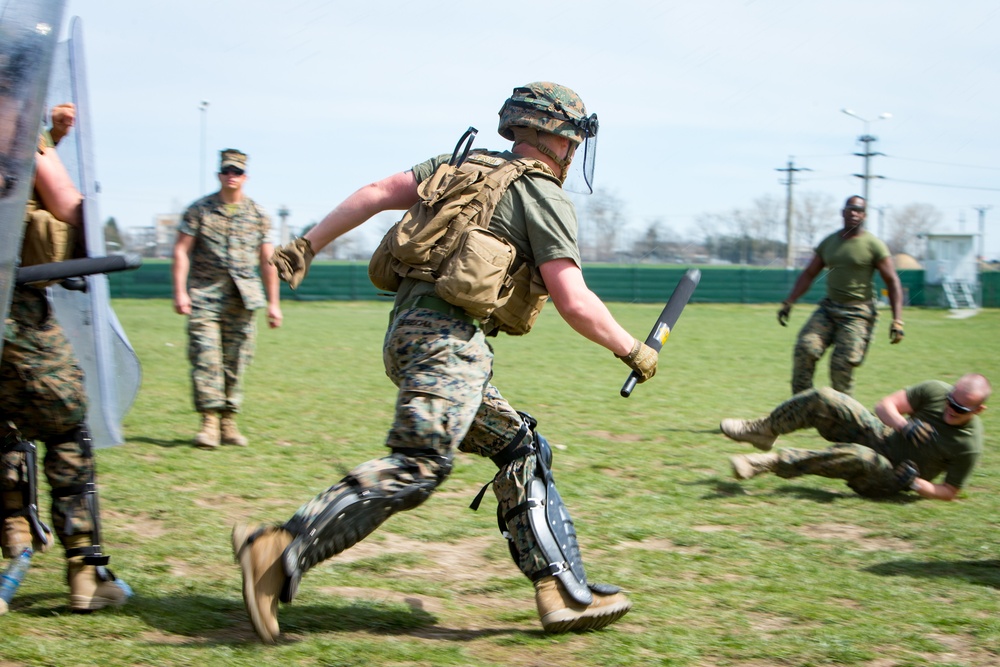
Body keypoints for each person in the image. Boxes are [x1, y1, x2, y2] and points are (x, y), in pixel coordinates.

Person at [231, 82, 657, 643]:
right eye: (572, 138)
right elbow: (573, 299)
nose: (574, 151)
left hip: (412, 334)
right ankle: (280, 549)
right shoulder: (544, 195)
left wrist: (306, 245)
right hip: (446, 344)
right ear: (551, 135)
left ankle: (562, 590)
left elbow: (378, 191)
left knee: (520, 445)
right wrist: (632, 348)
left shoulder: (461, 166)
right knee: (419, 463)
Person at [1, 104, 129, 614]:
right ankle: (85, 572)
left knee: (4, 424)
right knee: (64, 426)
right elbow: (69, 206)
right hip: (14, 312)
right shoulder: (13, 113)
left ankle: (15, 536)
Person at [719, 373, 990, 500]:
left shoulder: (968, 446)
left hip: (891, 476)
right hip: (883, 436)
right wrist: (902, 425)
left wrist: (916, 484)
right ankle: (764, 430)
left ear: (978, 410)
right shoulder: (935, 391)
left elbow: (950, 491)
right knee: (825, 398)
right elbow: (885, 406)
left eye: (960, 409)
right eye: (950, 401)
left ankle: (768, 463)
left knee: (860, 457)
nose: (951, 409)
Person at [172, 149, 282, 449]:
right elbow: (181, 250)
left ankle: (228, 421)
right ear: (219, 175)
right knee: (206, 358)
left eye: (236, 171)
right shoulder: (199, 210)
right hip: (204, 296)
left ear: (245, 177)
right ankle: (208, 423)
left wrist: (274, 303)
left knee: (236, 360)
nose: (231, 176)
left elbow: (268, 260)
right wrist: (180, 291)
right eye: (226, 171)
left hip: (243, 299)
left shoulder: (259, 215)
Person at [777, 195, 904, 396]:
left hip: (858, 313)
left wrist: (897, 320)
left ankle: (845, 418)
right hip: (830, 309)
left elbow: (892, 281)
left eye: (859, 210)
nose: (854, 213)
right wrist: (789, 301)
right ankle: (800, 408)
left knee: (841, 363)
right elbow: (809, 273)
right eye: (850, 209)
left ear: (864, 215)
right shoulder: (829, 242)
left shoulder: (873, 245)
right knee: (805, 348)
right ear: (843, 212)